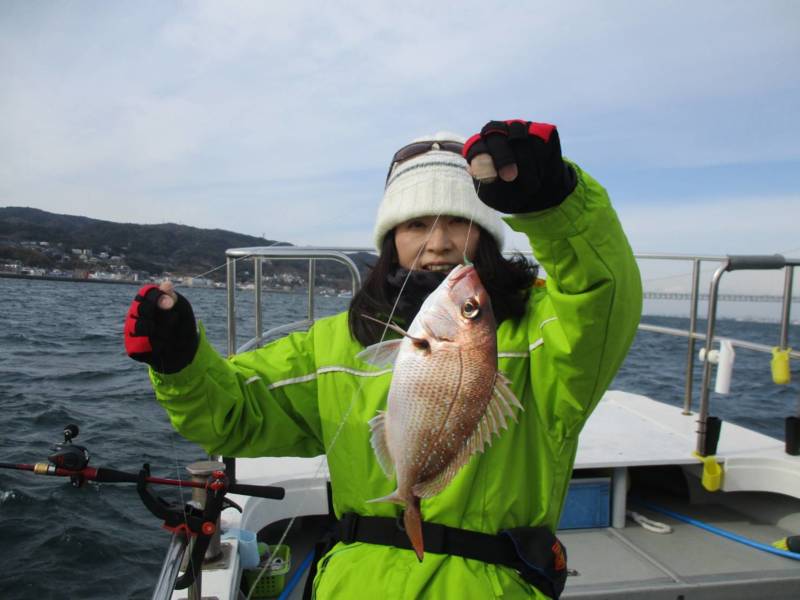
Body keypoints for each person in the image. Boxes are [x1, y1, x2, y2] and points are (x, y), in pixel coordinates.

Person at [125, 120, 642, 599]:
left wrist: (555, 202)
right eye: (416, 224)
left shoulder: (545, 333)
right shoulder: (331, 345)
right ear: (391, 238)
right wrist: (181, 359)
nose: (438, 243)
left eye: (458, 223)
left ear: (485, 233)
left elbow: (601, 292)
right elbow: (234, 414)